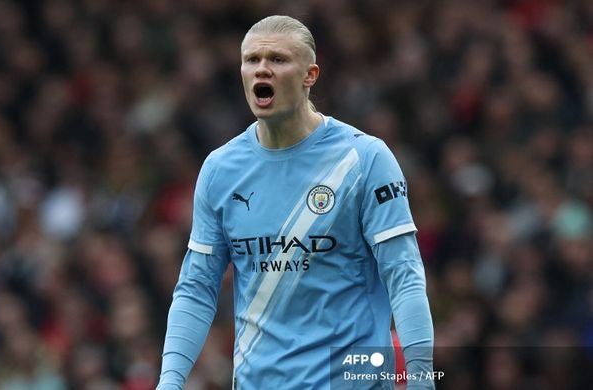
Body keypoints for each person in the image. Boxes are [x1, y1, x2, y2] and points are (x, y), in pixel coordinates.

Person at [157, 15, 434, 389]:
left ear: (310, 74)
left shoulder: (364, 159)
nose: (262, 69)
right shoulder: (220, 170)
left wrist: (420, 378)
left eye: (277, 59)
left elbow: (404, 276)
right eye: (252, 60)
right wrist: (169, 382)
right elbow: (196, 288)